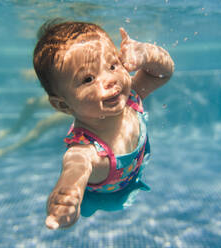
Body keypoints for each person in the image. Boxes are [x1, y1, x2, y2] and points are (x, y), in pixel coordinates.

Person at [33, 20, 174, 230]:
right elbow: (75, 169)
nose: (110, 79)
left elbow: (164, 72)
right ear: (62, 104)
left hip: (132, 177)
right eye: (88, 79)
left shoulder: (131, 98)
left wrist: (145, 54)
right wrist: (66, 196)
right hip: (101, 198)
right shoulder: (86, 150)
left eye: (112, 65)